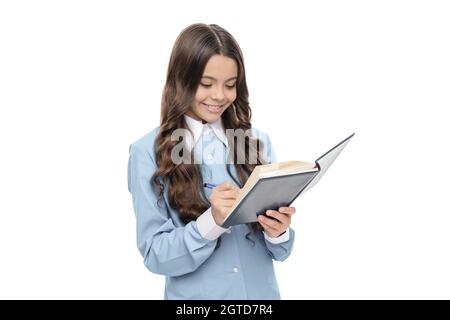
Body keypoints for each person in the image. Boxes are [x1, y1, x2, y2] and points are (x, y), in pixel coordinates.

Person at [127, 23, 296, 300]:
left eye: (230, 85)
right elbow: (155, 255)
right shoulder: (146, 152)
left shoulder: (257, 142)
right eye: (206, 84)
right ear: (181, 80)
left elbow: (281, 252)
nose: (219, 96)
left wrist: (278, 232)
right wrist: (212, 222)